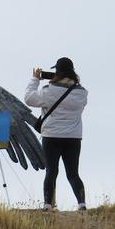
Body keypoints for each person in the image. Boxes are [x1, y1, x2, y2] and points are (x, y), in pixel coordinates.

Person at [24, 57, 88, 211]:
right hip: (73, 137)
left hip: (51, 136)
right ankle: (82, 204)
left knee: (51, 171)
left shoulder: (48, 91)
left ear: (57, 72)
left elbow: (29, 98)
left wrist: (35, 79)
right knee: (73, 173)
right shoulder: (82, 93)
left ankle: (47, 205)